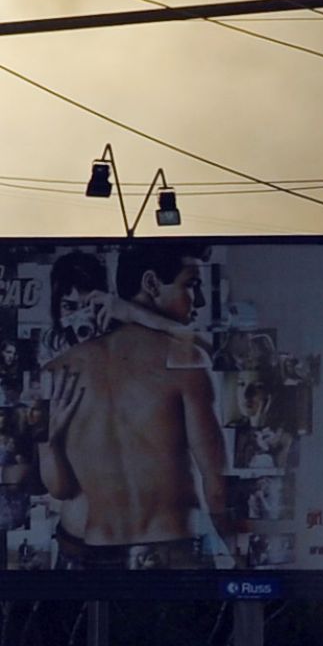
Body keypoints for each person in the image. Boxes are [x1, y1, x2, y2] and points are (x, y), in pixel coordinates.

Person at [38, 242, 233, 570]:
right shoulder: (185, 359)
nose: (197, 300)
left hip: (96, 548)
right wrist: (241, 556)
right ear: (152, 284)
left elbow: (60, 488)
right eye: (191, 285)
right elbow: (216, 482)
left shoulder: (56, 372)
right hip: (171, 548)